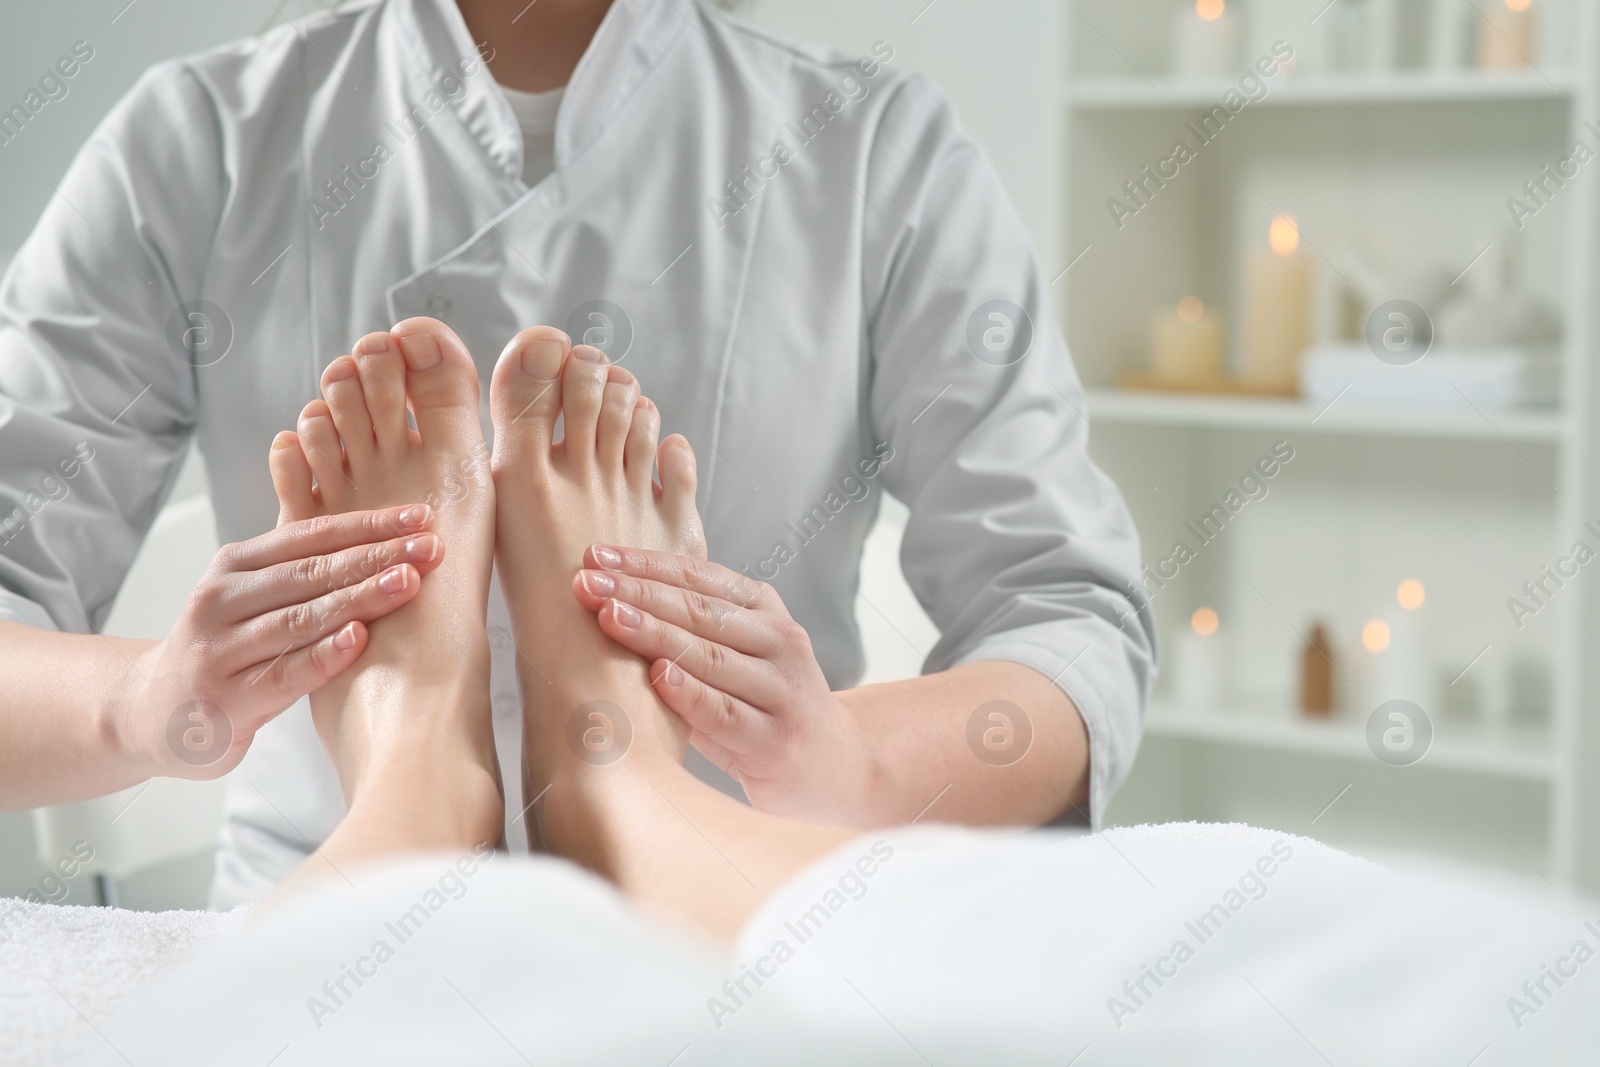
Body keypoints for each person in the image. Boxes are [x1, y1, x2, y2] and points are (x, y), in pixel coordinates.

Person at [0, 0, 1154, 906]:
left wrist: (850, 755)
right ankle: (455, 769)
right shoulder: (192, 142)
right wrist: (140, 702)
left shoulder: (878, 151)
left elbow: (1064, 614)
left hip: (730, 890)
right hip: (354, 887)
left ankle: (555, 787)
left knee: (622, 867)